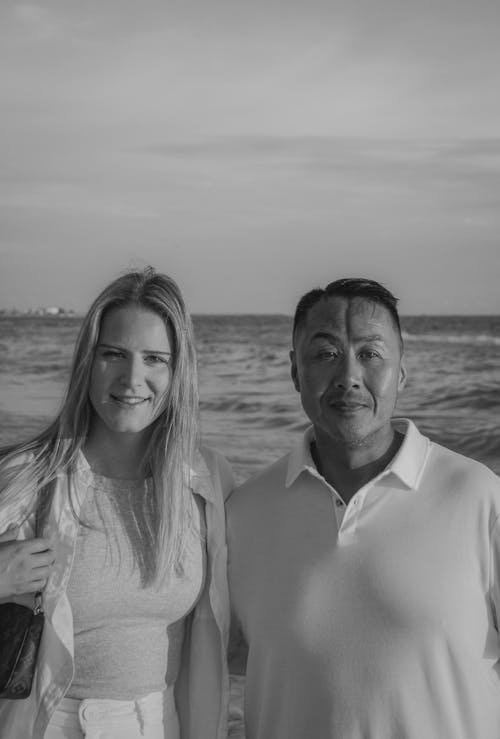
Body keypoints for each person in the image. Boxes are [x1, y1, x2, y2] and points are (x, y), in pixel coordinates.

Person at [226, 277, 500, 739]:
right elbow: (212, 662)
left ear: (402, 373)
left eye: (370, 354)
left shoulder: (478, 496)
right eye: (326, 353)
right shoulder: (244, 513)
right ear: (295, 371)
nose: (348, 375)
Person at [0, 268, 234, 739]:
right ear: (88, 360)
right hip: (55, 725)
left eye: (155, 359)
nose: (133, 378)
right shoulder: (26, 477)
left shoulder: (205, 481)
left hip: (162, 724)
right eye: (113, 354)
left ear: (178, 371)